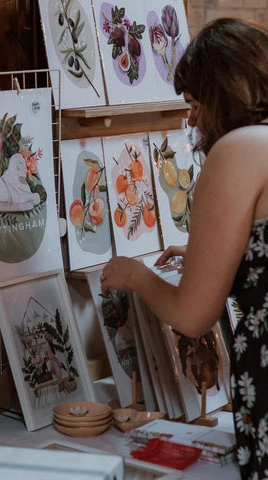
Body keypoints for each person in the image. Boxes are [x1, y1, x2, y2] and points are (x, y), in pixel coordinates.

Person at [100, 18, 268, 479]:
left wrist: (136, 275)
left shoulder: (239, 147)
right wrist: (205, 256)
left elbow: (194, 315)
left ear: (223, 92)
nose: (191, 119)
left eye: (194, 103)